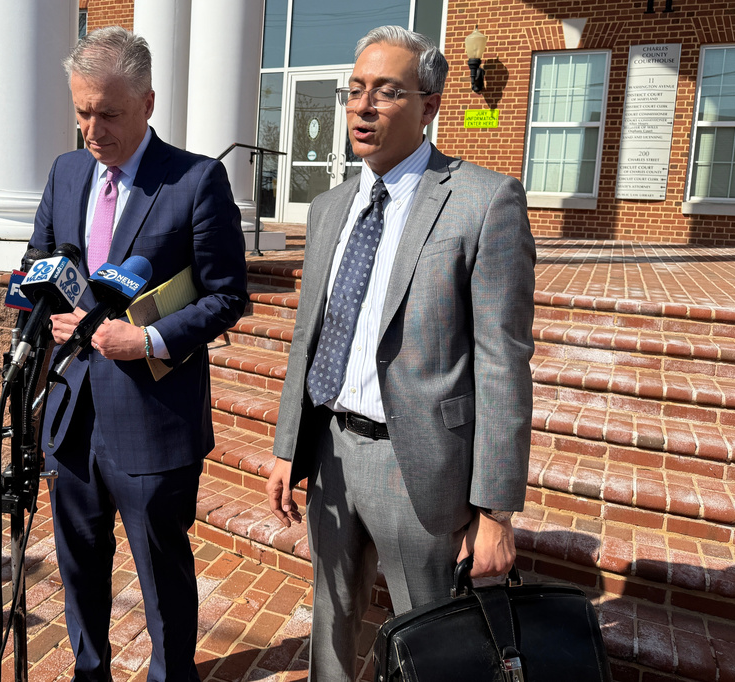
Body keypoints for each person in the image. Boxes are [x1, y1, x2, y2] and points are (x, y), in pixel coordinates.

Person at [265, 25, 535, 681]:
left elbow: (503, 363)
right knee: (330, 622)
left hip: (419, 465)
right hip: (330, 451)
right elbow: (310, 336)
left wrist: (495, 511)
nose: (362, 107)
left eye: (385, 93)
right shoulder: (329, 207)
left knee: (429, 639)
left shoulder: (482, 201)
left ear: (430, 104)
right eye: (354, 91)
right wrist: (285, 446)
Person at [27, 27, 248, 682]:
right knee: (78, 567)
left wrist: (148, 338)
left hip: (154, 419)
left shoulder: (197, 181)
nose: (93, 129)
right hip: (71, 414)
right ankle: (88, 672)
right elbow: (40, 262)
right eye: (82, 112)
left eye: (109, 113)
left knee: (161, 578)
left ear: (147, 103)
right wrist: (47, 314)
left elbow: (228, 296)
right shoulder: (67, 172)